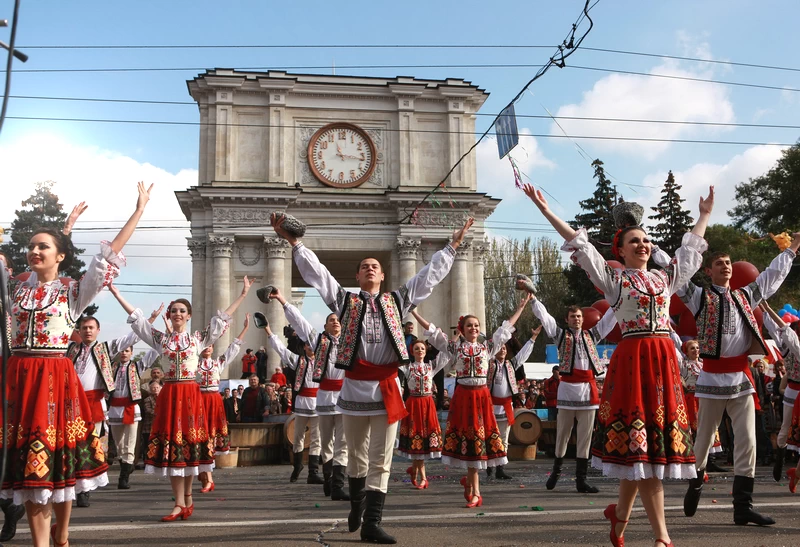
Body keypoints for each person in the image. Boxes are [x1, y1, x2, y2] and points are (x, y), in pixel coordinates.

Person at [524, 182, 713, 547]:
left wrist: (703, 215)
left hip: (661, 365)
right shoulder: (615, 282)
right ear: (621, 251)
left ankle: (620, 518)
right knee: (643, 454)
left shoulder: (664, 278)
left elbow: (689, 255)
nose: (643, 245)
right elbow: (582, 247)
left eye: (646, 241)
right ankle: (662, 537)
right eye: (634, 242)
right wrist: (546, 210)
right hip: (634, 363)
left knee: (640, 457)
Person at [273, 212, 472, 544]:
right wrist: (295, 242)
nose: (369, 268)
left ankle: (372, 522)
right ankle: (356, 504)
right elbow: (318, 275)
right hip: (353, 390)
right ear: (356, 275)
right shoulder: (345, 302)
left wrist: (451, 246)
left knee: (383, 457)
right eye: (364, 266)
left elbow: (428, 277)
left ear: (383, 275)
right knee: (355, 454)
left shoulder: (398, 301)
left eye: (375, 266)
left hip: (387, 389)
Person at [0, 183, 152, 547]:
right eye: (31, 246)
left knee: (61, 466)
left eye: (43, 246)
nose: (34, 251)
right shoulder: (14, 288)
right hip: (19, 379)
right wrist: (62, 229)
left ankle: (62, 535)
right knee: (30, 472)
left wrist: (139, 211)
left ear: (60, 256)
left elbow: (110, 254)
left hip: (55, 379)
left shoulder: (72, 292)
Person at [680, 232, 799, 527]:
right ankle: (695, 483)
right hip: (710, 377)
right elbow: (679, 279)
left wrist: (794, 248)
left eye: (728, 262)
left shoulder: (746, 295)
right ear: (708, 271)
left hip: (741, 378)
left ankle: (742, 507)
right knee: (704, 440)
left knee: (748, 443)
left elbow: (772, 276)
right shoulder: (700, 297)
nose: (725, 267)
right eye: (719, 263)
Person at [114, 276, 251, 522]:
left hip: (190, 397)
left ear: (188, 316)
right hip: (170, 396)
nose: (177, 313)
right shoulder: (161, 339)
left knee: (188, 450)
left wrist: (242, 295)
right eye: (174, 310)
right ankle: (180, 502)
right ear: (170, 314)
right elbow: (139, 320)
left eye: (182, 311)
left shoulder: (198, 339)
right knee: (173, 449)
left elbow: (221, 320)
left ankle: (186, 498)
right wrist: (115, 291)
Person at [413, 296, 530, 509]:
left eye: (476, 325)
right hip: (464, 397)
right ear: (463, 329)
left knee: (479, 439)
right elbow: (432, 331)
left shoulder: (488, 348)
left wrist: (520, 308)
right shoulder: (455, 348)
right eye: (469, 326)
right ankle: (472, 485)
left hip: (482, 397)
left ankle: (474, 488)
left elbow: (506, 329)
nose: (473, 328)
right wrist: (413, 312)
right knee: (469, 439)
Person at [267, 287, 349, 500]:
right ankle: (326, 477)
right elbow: (300, 323)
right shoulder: (319, 342)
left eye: (338, 319)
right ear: (325, 326)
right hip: (321, 400)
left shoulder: (351, 342)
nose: (335, 322)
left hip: (344, 399)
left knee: (342, 442)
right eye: (331, 320)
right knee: (324, 442)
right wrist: (283, 301)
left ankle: (337, 484)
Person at [531, 300, 617, 494]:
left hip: (587, 390)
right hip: (568, 389)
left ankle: (581, 480)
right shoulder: (561, 335)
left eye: (579, 316)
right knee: (563, 433)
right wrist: (534, 300)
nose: (576, 319)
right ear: (567, 320)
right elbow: (546, 319)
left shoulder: (591, 335)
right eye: (572, 317)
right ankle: (556, 471)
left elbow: (608, 321)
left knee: (585, 437)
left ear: (582, 319)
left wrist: (618, 300)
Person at [65, 311, 145, 506]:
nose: (87, 331)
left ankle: (84, 490)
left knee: (90, 446)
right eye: (84, 328)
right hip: (72, 403)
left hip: (94, 403)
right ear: (79, 330)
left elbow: (131, 338)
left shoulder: (105, 349)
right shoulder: (71, 350)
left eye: (91, 327)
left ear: (98, 330)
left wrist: (146, 322)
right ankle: (70, 484)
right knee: (71, 445)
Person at [263, 311, 325, 485]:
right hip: (302, 402)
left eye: (313, 345)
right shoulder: (299, 361)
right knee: (298, 436)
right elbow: (281, 350)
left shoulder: (324, 361)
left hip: (318, 403)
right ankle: (297, 466)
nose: (311, 347)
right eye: (308, 345)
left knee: (316, 438)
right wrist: (268, 331)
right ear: (304, 347)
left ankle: (313, 471)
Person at [195, 314, 249, 493]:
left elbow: (233, 349)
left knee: (210, 436)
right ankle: (205, 474)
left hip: (214, 402)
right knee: (199, 437)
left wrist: (245, 329)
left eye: (210, 346)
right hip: (199, 401)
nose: (208, 349)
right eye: (205, 346)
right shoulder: (194, 365)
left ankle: (207, 476)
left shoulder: (218, 363)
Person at [396, 336, 452, 489]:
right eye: (416, 349)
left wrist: (452, 338)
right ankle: (422, 477)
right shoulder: (407, 368)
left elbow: (446, 354)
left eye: (422, 348)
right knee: (417, 442)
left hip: (427, 405)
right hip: (413, 404)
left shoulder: (430, 366)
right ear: (412, 352)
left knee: (422, 444)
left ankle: (415, 471)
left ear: (425, 350)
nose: (419, 350)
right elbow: (394, 361)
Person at [485, 327, 539, 480]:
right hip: (491, 406)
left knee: (504, 438)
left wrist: (533, 339)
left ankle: (501, 468)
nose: (502, 350)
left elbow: (522, 355)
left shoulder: (510, 364)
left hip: (506, 405)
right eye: (499, 348)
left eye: (504, 348)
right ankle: (490, 466)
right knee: (490, 437)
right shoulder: (489, 365)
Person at [107, 338, 159, 491]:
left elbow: (153, 353)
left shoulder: (137, 366)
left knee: (130, 442)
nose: (124, 353)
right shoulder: (111, 367)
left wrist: (157, 338)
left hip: (130, 407)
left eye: (127, 351)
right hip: (115, 408)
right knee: (119, 444)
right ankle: (126, 465)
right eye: (122, 350)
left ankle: (123, 478)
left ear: (131, 353)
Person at [761, 301, 800, 486]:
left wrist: (766, 310)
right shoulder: (793, 347)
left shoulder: (790, 347)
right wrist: (766, 310)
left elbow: (781, 330)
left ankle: (784, 459)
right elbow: (782, 330)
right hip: (794, 390)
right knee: (786, 427)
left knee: (786, 428)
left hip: (793, 390)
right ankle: (781, 459)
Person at [140, 379, 162, 464]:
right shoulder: (147, 400)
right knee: (148, 444)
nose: (155, 389)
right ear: (150, 389)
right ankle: (148, 461)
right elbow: (148, 410)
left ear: (160, 388)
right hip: (149, 427)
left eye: (157, 387)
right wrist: (160, 413)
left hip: (160, 426)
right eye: (153, 388)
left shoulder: (164, 398)